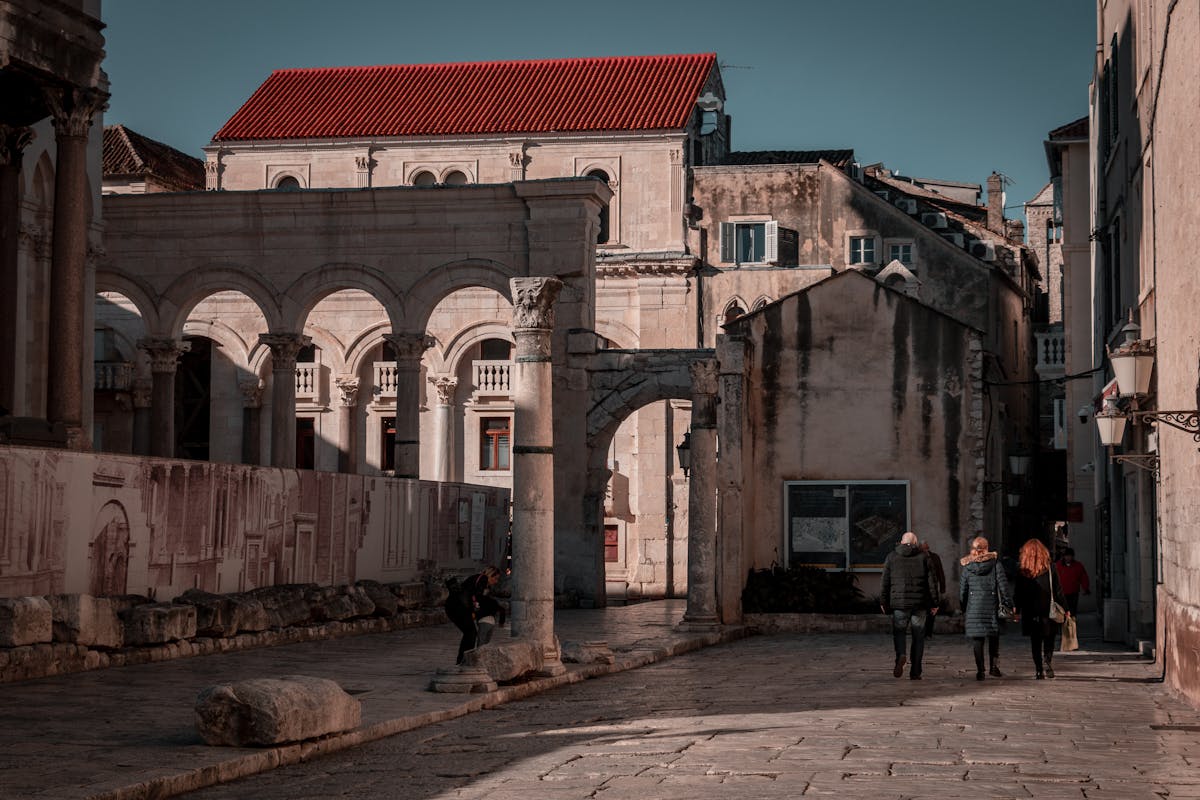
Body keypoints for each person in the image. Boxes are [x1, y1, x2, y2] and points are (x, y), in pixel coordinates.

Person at [880, 531, 938, 680]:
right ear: (916, 543)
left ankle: (901, 655)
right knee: (918, 637)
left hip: (899, 604)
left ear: (901, 541)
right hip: (920, 604)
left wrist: (883, 602)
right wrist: (935, 603)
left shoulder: (891, 557)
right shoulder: (924, 557)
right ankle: (916, 672)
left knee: (899, 632)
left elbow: (885, 581)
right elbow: (932, 582)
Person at [959, 536, 1011, 680]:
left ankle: (980, 670)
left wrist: (964, 607)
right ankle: (994, 668)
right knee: (994, 638)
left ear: (973, 550)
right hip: (992, 607)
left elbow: (962, 591)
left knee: (978, 640)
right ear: (986, 548)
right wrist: (1008, 604)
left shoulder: (967, 567)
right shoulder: (995, 565)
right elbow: (1003, 587)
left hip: (974, 608)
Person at [1014, 538, 1066, 679]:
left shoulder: (1022, 571)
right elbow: (1058, 591)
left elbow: (1018, 593)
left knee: (1035, 641)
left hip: (1031, 611)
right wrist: (1065, 608)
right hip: (1048, 610)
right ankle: (1047, 662)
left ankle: (1038, 670)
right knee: (1049, 638)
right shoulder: (1051, 568)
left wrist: (1017, 610)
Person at [444, 566, 505, 664]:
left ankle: (463, 660)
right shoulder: (483, 579)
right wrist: (496, 606)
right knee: (471, 633)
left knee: (470, 633)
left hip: (454, 606)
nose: (496, 581)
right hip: (458, 607)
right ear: (490, 575)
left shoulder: (478, 579)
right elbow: (477, 597)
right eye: (496, 578)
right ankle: (463, 661)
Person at [919, 541, 946, 638]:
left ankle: (928, 632)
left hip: (932, 588)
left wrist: (942, 588)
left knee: (932, 610)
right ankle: (923, 631)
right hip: (921, 589)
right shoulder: (917, 557)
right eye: (922, 549)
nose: (925, 550)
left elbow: (940, 573)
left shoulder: (934, 557)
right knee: (922, 611)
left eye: (926, 548)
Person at [1055, 547, 1090, 617]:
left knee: (1073, 611)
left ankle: (1072, 625)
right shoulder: (1058, 565)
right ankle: (1065, 625)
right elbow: (1054, 578)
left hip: (1074, 592)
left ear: (1073, 557)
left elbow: (1083, 577)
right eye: (1066, 556)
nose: (1068, 558)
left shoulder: (1078, 565)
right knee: (1063, 611)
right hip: (1062, 593)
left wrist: (1086, 588)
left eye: (1070, 556)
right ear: (1064, 556)